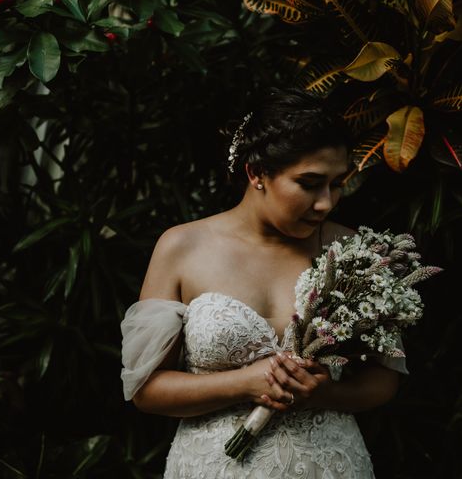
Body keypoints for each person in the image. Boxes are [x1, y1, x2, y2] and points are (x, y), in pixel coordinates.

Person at [120, 88, 408, 478]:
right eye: (309, 183)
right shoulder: (182, 247)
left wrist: (324, 394)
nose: (326, 202)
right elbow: (147, 391)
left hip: (329, 464)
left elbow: (383, 378)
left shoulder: (353, 252)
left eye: (337, 183)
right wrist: (244, 383)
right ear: (257, 174)